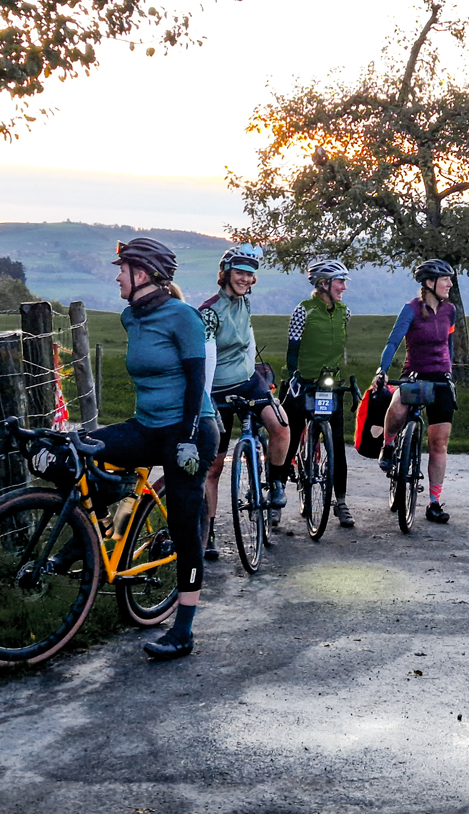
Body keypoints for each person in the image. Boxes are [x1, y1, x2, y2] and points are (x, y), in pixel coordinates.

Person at [93, 236, 218, 660]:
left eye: (122, 269)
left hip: (190, 430)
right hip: (148, 426)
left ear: (141, 274)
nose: (117, 277)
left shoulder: (182, 316)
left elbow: (196, 382)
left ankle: (182, 631)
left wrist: (185, 437)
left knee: (185, 530)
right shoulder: (132, 317)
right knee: (82, 448)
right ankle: (91, 536)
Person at [199, 244, 291, 549]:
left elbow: (248, 339)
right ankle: (207, 530)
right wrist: (206, 401)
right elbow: (206, 359)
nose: (246, 279)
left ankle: (276, 482)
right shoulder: (210, 311)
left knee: (280, 426)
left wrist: (257, 374)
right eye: (240, 273)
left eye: (250, 275)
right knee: (214, 467)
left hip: (248, 380)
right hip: (217, 386)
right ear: (226, 273)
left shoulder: (244, 303)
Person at [376, 259, 460, 523]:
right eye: (445, 279)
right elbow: (393, 342)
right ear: (429, 283)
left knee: (439, 443)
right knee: (399, 407)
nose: (450, 284)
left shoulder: (450, 311)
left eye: (450, 279)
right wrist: (382, 370)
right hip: (415, 374)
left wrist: (450, 373)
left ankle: (434, 502)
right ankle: (388, 445)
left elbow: (449, 343)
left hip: (441, 378)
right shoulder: (411, 309)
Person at [285, 258, 355, 528]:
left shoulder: (344, 312)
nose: (344, 287)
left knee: (336, 444)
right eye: (340, 282)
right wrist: (294, 377)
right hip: (303, 383)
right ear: (323, 284)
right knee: (290, 438)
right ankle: (278, 489)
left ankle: (341, 501)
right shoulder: (303, 311)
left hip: (330, 384)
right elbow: (292, 350)